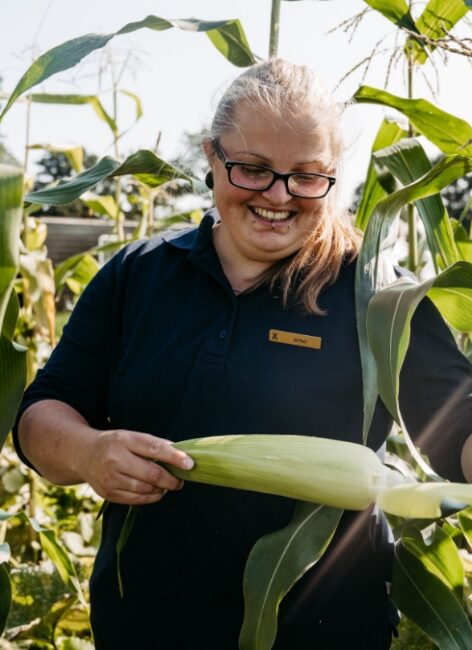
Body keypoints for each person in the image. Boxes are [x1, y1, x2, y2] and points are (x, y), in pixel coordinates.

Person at [14, 59, 472, 649]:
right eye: (253, 170)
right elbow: (42, 414)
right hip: (145, 627)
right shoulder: (135, 276)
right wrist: (88, 451)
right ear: (211, 156)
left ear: (333, 175)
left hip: (326, 633)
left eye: (308, 177)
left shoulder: (379, 299)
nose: (279, 197)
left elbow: (455, 422)